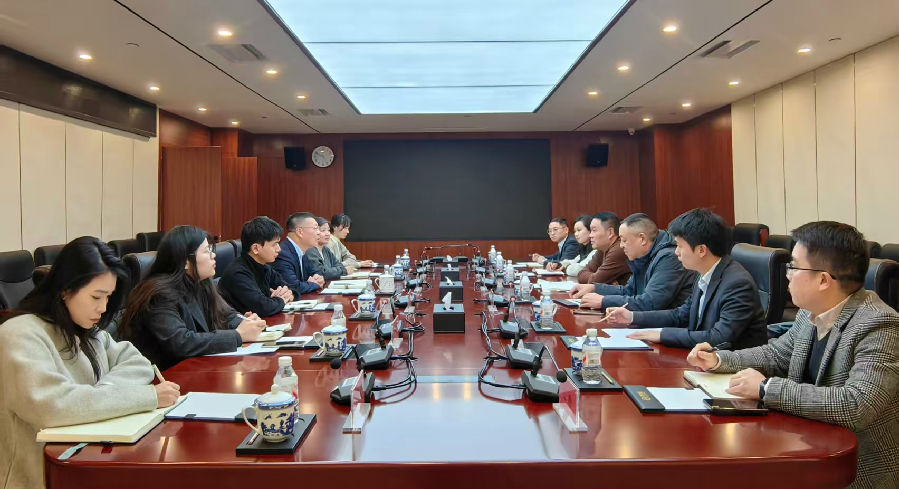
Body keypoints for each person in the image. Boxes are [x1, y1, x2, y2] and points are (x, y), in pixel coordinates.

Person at [687, 221, 898, 489]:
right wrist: (720, 359)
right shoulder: (811, 310)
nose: (787, 274)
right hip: (807, 446)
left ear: (823, 280)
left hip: (855, 470)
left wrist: (765, 388)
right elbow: (778, 354)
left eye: (794, 266)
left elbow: (856, 404)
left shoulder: (879, 324)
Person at [0, 237, 180, 489]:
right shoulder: (20, 334)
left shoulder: (86, 330)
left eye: (108, 297)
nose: (103, 308)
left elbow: (137, 362)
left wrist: (99, 397)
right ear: (65, 289)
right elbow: (52, 406)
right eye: (96, 297)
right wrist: (146, 397)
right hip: (39, 477)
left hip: (88, 465)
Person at [604, 209, 767, 349]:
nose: (676, 252)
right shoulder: (704, 273)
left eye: (680, 246)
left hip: (735, 367)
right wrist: (632, 317)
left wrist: (662, 334)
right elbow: (681, 314)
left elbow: (719, 337)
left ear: (701, 250)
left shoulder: (736, 284)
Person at [117, 226, 268, 370]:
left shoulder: (201, 282)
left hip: (199, 367)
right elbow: (181, 342)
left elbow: (226, 315)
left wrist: (246, 323)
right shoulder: (159, 294)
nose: (213, 255)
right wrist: (238, 335)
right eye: (207, 251)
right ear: (185, 262)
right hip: (167, 376)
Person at [570, 213, 694, 311]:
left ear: (642, 239)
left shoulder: (669, 257)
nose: (621, 246)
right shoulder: (643, 255)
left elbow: (650, 302)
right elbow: (629, 290)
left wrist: (604, 301)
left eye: (624, 240)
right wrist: (594, 288)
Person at [218, 216, 296, 317]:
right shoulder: (237, 273)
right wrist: (280, 299)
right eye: (274, 244)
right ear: (255, 248)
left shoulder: (264, 267)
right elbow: (263, 307)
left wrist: (289, 294)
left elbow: (292, 288)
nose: (279, 249)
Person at [273, 212, 325, 295]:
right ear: (300, 231)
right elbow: (293, 287)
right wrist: (315, 284)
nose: (319, 232)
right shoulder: (282, 253)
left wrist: (319, 278)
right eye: (315, 228)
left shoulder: (303, 251)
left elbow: (316, 272)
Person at [576, 212, 631, 285]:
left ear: (610, 232)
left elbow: (596, 281)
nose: (590, 235)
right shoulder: (603, 248)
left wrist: (597, 278)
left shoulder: (619, 249)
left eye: (594, 230)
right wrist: (604, 280)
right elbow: (581, 274)